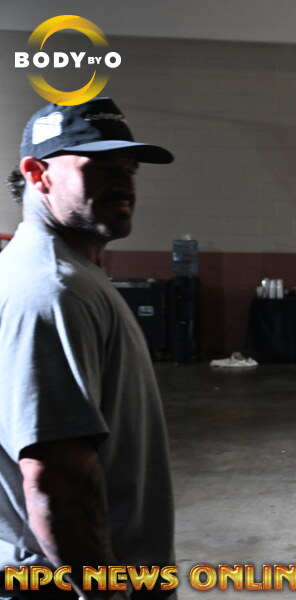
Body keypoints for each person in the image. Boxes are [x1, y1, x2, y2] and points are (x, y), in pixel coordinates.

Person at [0, 98, 177, 599]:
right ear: (37, 174)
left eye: (129, 168)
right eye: (98, 167)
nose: (124, 183)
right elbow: (56, 484)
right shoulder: (51, 290)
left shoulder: (72, 276)